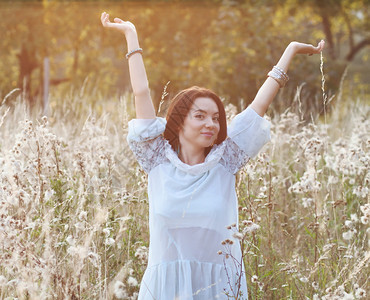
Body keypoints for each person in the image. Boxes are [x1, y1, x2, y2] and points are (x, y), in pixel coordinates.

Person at [101, 11, 324, 300]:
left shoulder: (226, 160)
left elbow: (260, 104)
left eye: (216, 118)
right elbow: (141, 93)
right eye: (200, 116)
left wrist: (290, 50)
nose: (211, 124)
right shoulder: (155, 156)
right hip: (165, 289)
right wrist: (131, 34)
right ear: (179, 121)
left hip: (219, 288)